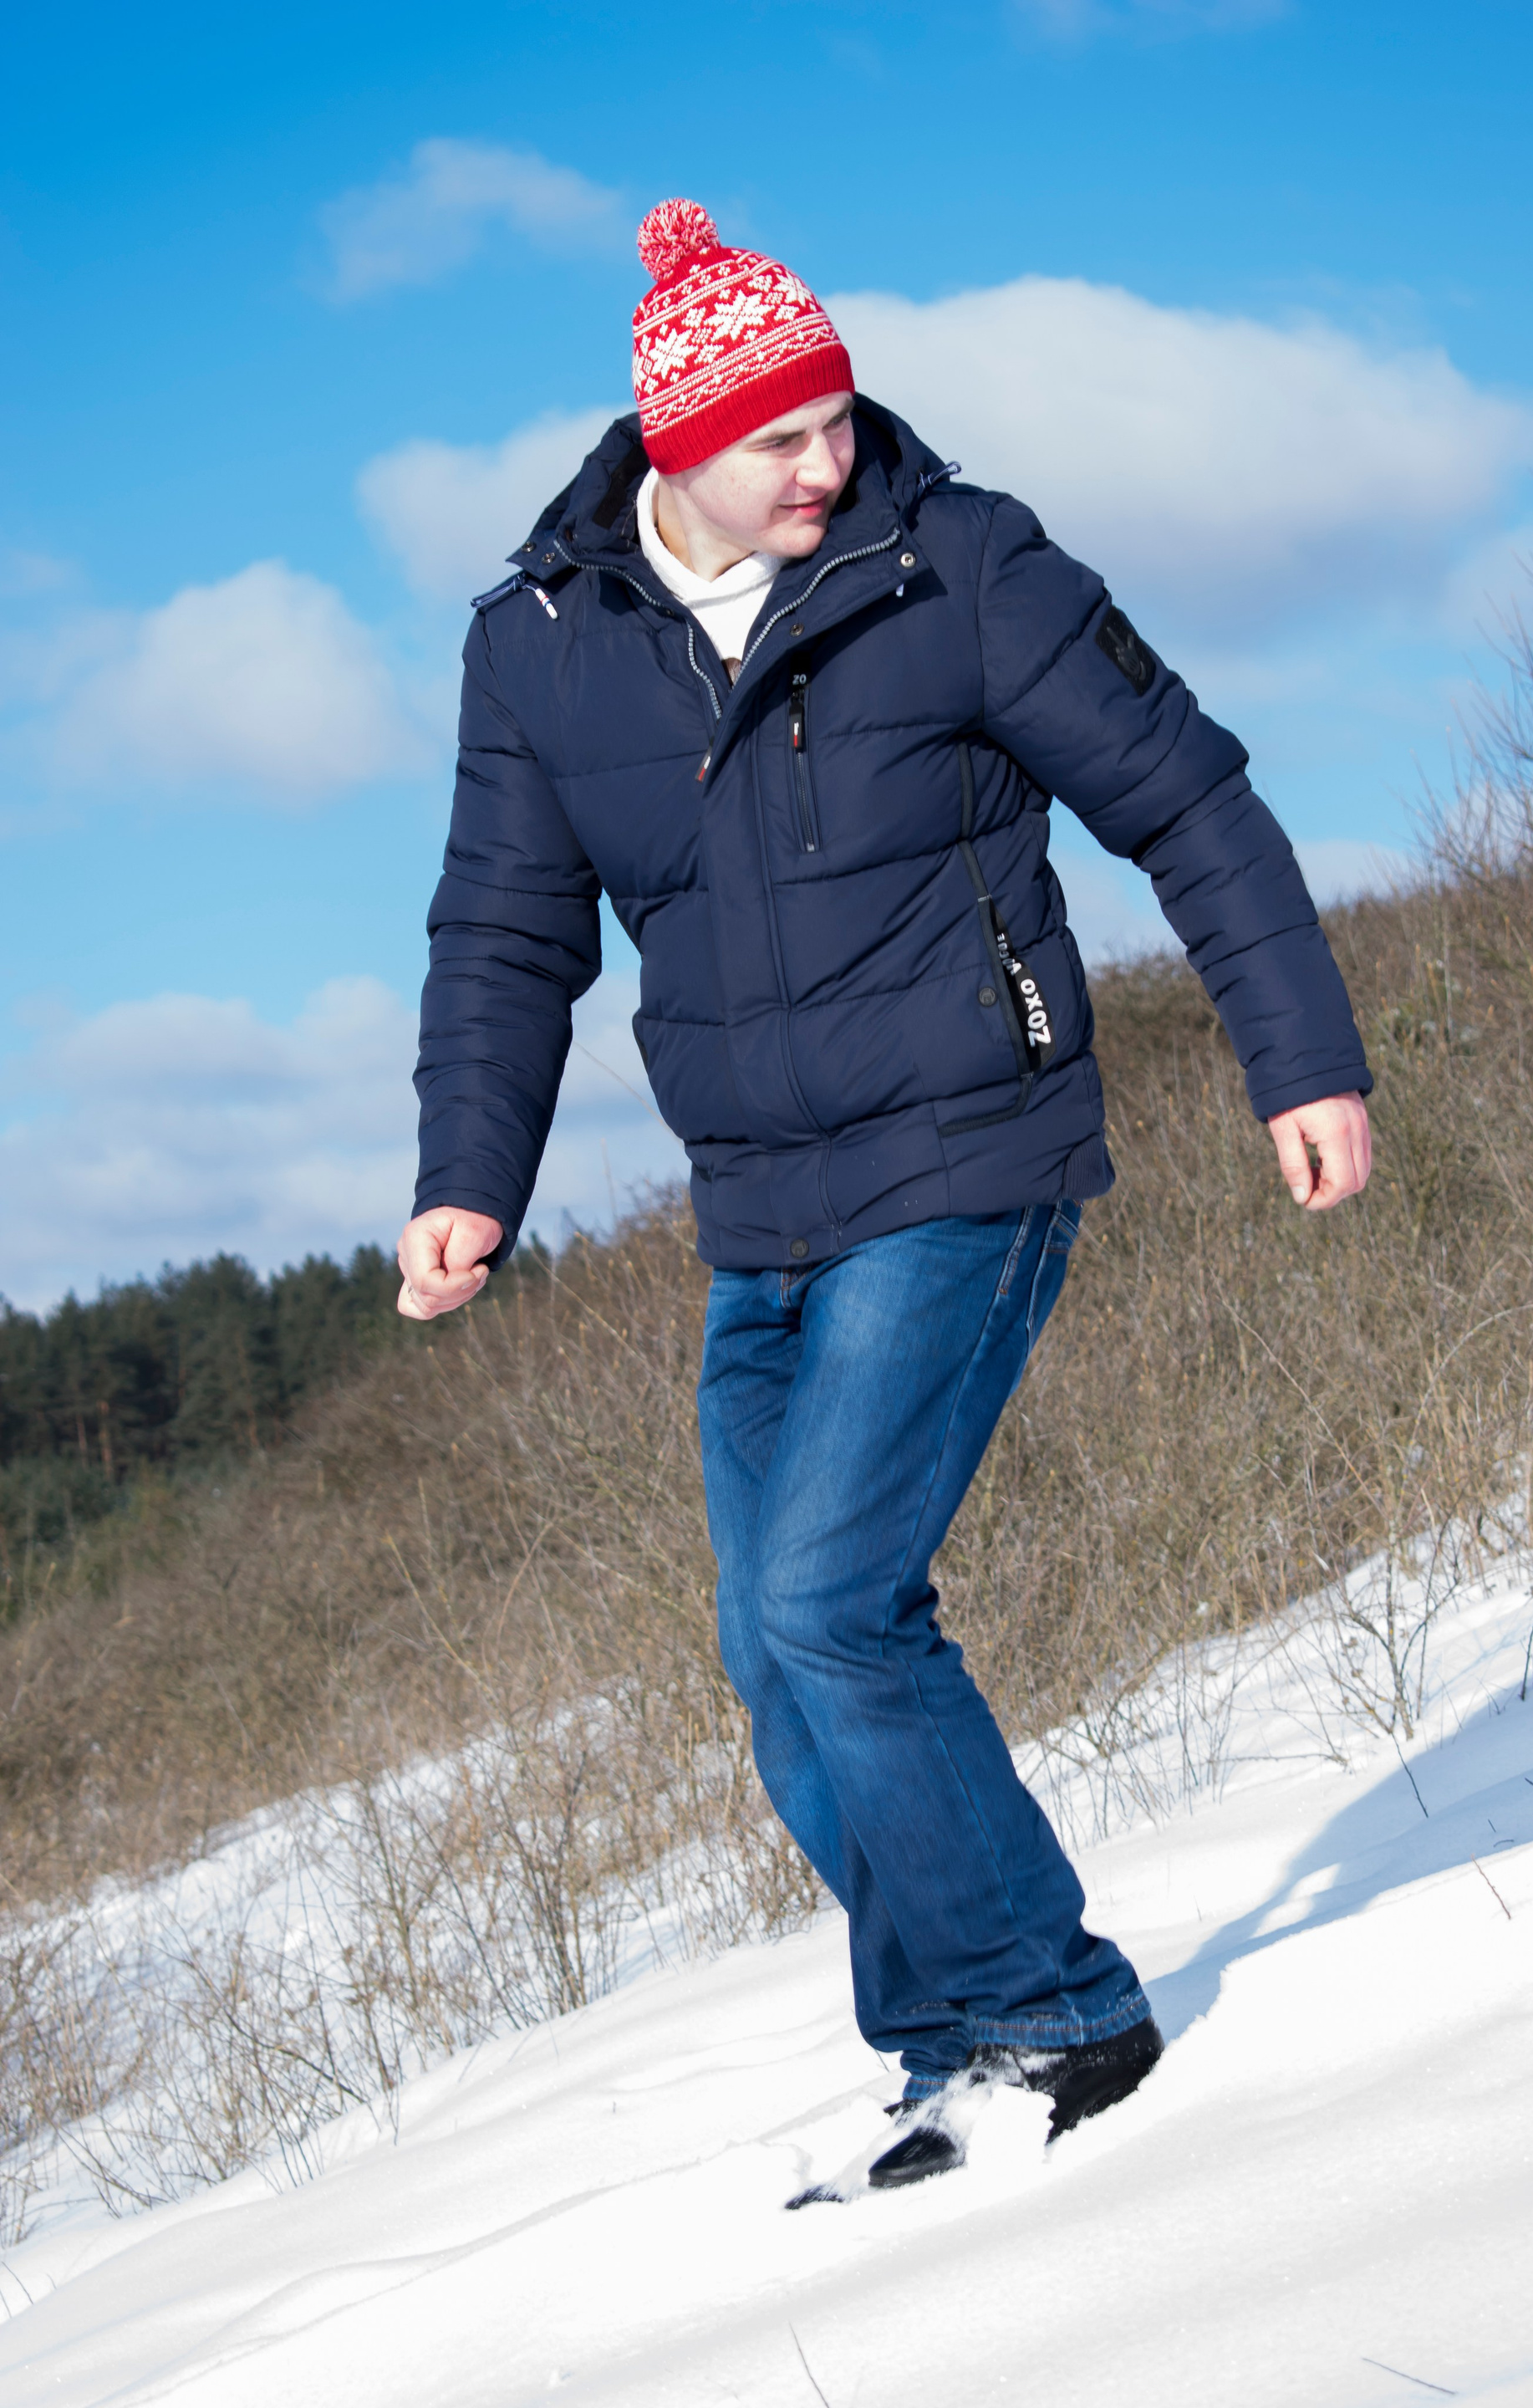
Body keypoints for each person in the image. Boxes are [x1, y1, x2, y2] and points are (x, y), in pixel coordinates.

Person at [396, 197, 1373, 2194]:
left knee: (834, 1600)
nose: (828, 462)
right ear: (676, 447)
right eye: (781, 438)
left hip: (967, 1156)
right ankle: (953, 2044)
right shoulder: (545, 646)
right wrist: (466, 1180)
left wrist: (1304, 1056)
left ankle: (1057, 2013)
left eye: (840, 417)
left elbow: (1186, 795)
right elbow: (503, 937)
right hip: (760, 1214)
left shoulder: (960, 563)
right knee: (776, 1657)